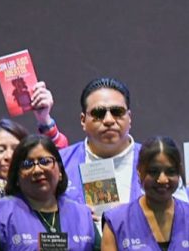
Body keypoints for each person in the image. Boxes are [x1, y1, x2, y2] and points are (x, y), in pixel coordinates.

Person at [60, 77, 139, 209]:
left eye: (117, 112)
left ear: (129, 118)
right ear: (83, 120)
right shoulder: (60, 163)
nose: (109, 120)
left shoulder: (155, 161)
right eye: (98, 113)